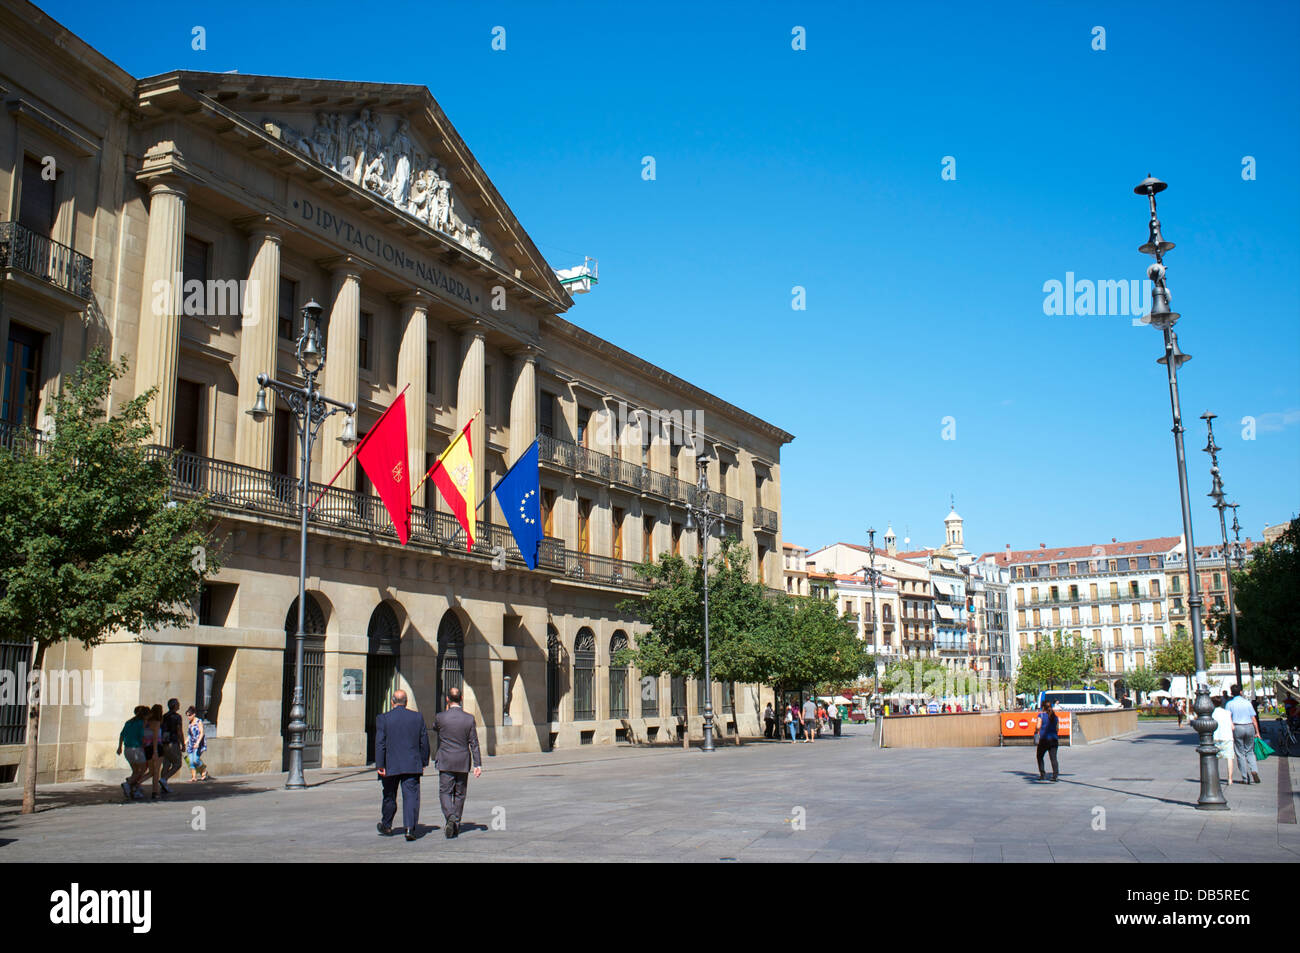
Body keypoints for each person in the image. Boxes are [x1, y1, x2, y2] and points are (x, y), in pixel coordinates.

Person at [375, 689, 430, 842]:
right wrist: (424, 761)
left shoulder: (384, 718)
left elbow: (380, 743)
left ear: (392, 702)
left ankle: (387, 824)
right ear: (406, 702)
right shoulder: (417, 717)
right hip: (411, 763)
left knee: (389, 795)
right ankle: (409, 828)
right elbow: (423, 741)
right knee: (411, 796)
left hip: (390, 764)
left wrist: (380, 764)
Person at [432, 687, 481, 839]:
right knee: (460, 793)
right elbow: (474, 742)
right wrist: (477, 764)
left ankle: (450, 816)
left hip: (446, 760)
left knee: (445, 791)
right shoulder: (469, 718)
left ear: (447, 699)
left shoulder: (441, 717)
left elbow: (435, 729)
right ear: (461, 699)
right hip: (462, 760)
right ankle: (456, 822)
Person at [1225, 684, 1262, 784]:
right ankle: (1254, 770)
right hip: (1249, 726)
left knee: (1240, 753)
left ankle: (1245, 778)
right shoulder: (1247, 703)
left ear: (1231, 693)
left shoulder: (1229, 704)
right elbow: (1253, 718)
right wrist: (1257, 732)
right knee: (1250, 751)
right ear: (1241, 692)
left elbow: (1228, 718)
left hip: (1237, 727)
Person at [116, 706, 149, 800]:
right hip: (137, 749)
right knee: (142, 770)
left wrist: (119, 747)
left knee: (135, 771)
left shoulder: (129, 722)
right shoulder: (141, 723)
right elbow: (142, 736)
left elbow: (122, 735)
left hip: (127, 749)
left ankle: (134, 789)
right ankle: (128, 783)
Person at [160, 698, 184, 793]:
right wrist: (183, 743)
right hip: (173, 742)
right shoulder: (177, 717)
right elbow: (179, 731)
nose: (179, 705)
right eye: (178, 704)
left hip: (164, 742)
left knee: (166, 763)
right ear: (174, 706)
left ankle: (163, 784)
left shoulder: (164, 716)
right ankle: (164, 779)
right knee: (178, 763)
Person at [1210, 695, 1235, 785]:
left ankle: (1214, 777)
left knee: (1214, 759)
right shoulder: (1227, 713)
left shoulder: (1211, 714)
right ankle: (1230, 779)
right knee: (1229, 758)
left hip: (1215, 737)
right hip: (1227, 737)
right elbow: (1232, 727)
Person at [1034, 698, 1060, 782]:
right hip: (1054, 739)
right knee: (1053, 758)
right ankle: (1055, 775)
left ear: (1043, 707)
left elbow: (1038, 726)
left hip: (1044, 739)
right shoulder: (1055, 717)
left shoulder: (1041, 716)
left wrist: (1036, 731)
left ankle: (1042, 774)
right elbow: (1057, 728)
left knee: (1039, 756)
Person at [143, 703, 164, 800]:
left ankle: (134, 784)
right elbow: (155, 737)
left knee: (151, 771)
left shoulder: (146, 722)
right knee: (156, 772)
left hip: (147, 747)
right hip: (156, 748)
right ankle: (155, 791)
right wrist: (155, 751)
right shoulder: (156, 722)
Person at [185, 706, 208, 781]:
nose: (188, 717)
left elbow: (201, 733)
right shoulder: (190, 723)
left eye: (190, 715)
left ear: (194, 714)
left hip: (198, 743)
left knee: (196, 759)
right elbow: (189, 735)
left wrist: (198, 742)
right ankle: (194, 777)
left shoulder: (199, 721)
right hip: (191, 743)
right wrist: (185, 742)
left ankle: (204, 769)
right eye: (187, 715)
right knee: (191, 761)